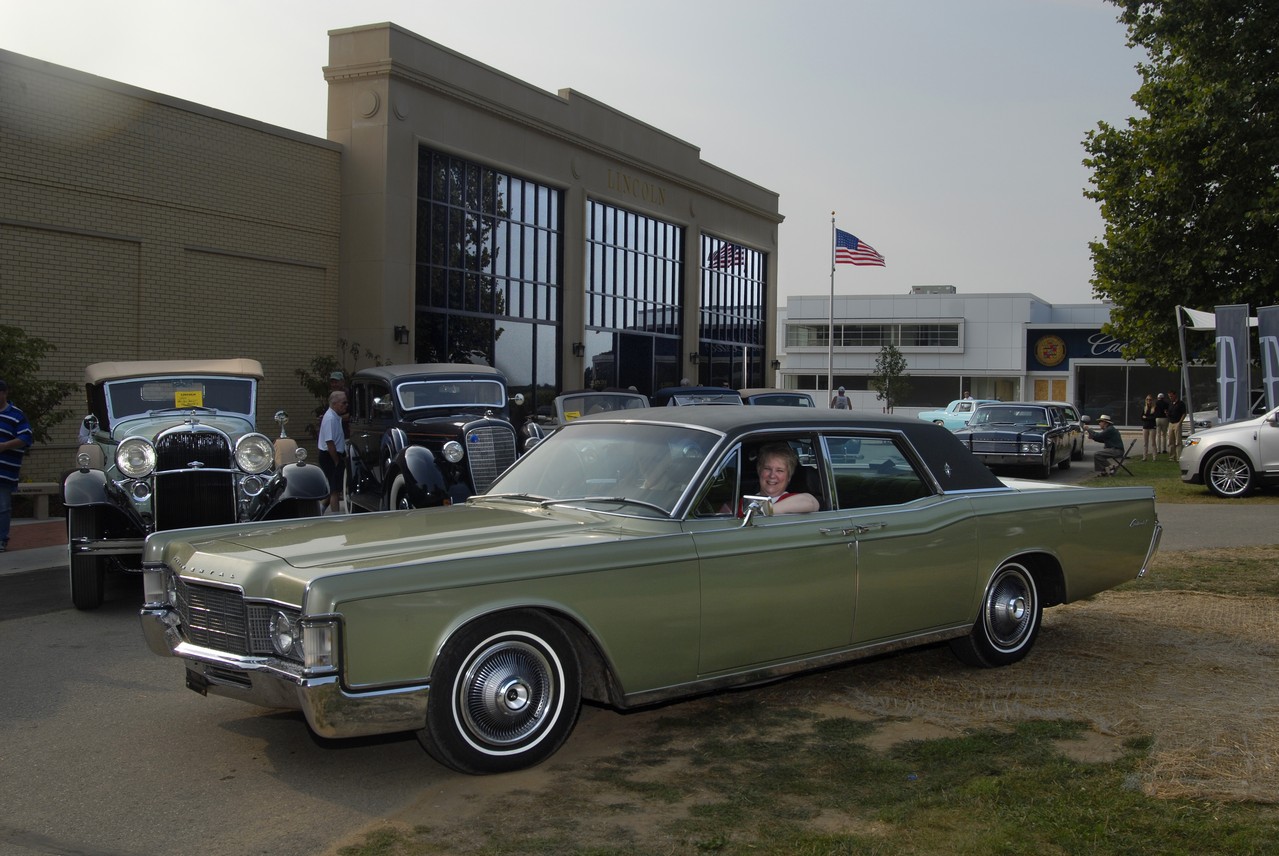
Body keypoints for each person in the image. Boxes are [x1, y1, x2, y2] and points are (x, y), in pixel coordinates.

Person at [0, 379, 35, 552]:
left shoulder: (16, 415)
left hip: (5, 471)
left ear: (5, 393)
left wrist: (5, 446)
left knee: (2, 507)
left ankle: (1, 540)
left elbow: (26, 438)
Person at [742, 443, 819, 514]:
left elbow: (811, 503)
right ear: (759, 471)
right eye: (767, 468)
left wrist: (764, 511)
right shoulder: (744, 502)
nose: (772, 475)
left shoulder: (792, 499)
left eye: (779, 470)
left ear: (789, 477)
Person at [317, 390, 348, 513]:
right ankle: (336, 516)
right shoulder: (330, 418)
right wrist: (336, 461)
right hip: (330, 455)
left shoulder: (335, 416)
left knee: (335, 487)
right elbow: (330, 443)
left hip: (334, 454)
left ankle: (321, 508)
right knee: (335, 490)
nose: (346, 405)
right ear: (334, 404)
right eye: (343, 403)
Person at [1166, 390, 1187, 462]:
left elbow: (1184, 413)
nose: (1170, 397)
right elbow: (1169, 412)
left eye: (1171, 396)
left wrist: (1180, 422)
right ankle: (1172, 457)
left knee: (1178, 441)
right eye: (1169, 396)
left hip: (1177, 423)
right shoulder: (1170, 404)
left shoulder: (1180, 403)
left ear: (1175, 395)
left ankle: (1179, 457)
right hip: (1171, 423)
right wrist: (1167, 414)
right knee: (1170, 441)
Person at [1140, 394, 1157, 461]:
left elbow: (1154, 417)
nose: (1148, 401)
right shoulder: (1145, 408)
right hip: (1145, 427)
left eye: (1150, 400)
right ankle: (1144, 457)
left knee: (1153, 442)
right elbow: (1141, 417)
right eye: (1147, 399)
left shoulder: (1154, 408)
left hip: (1152, 427)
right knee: (1145, 443)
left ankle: (1154, 457)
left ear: (1152, 400)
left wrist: (1146, 417)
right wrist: (1146, 418)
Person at [1153, 392, 1170, 456]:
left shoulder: (1155, 403)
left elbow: (1154, 411)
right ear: (1163, 398)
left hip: (1157, 419)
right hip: (1164, 419)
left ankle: (1158, 450)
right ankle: (1164, 449)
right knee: (1164, 435)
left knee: (1158, 435)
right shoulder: (1166, 403)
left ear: (1158, 397)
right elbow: (1167, 411)